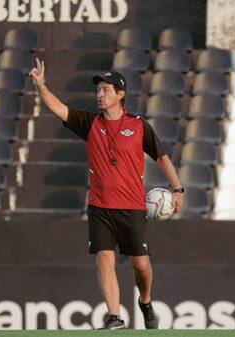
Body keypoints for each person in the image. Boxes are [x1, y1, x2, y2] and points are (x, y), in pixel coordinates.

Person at [30, 58, 184, 330]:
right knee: (104, 258)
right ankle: (115, 317)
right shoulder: (89, 123)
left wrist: (178, 189)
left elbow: (161, 157)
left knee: (141, 265)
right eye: (98, 90)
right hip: (100, 206)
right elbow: (59, 109)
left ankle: (145, 301)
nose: (100, 95)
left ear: (120, 95)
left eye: (106, 90)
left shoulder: (138, 125)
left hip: (133, 207)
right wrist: (41, 86)